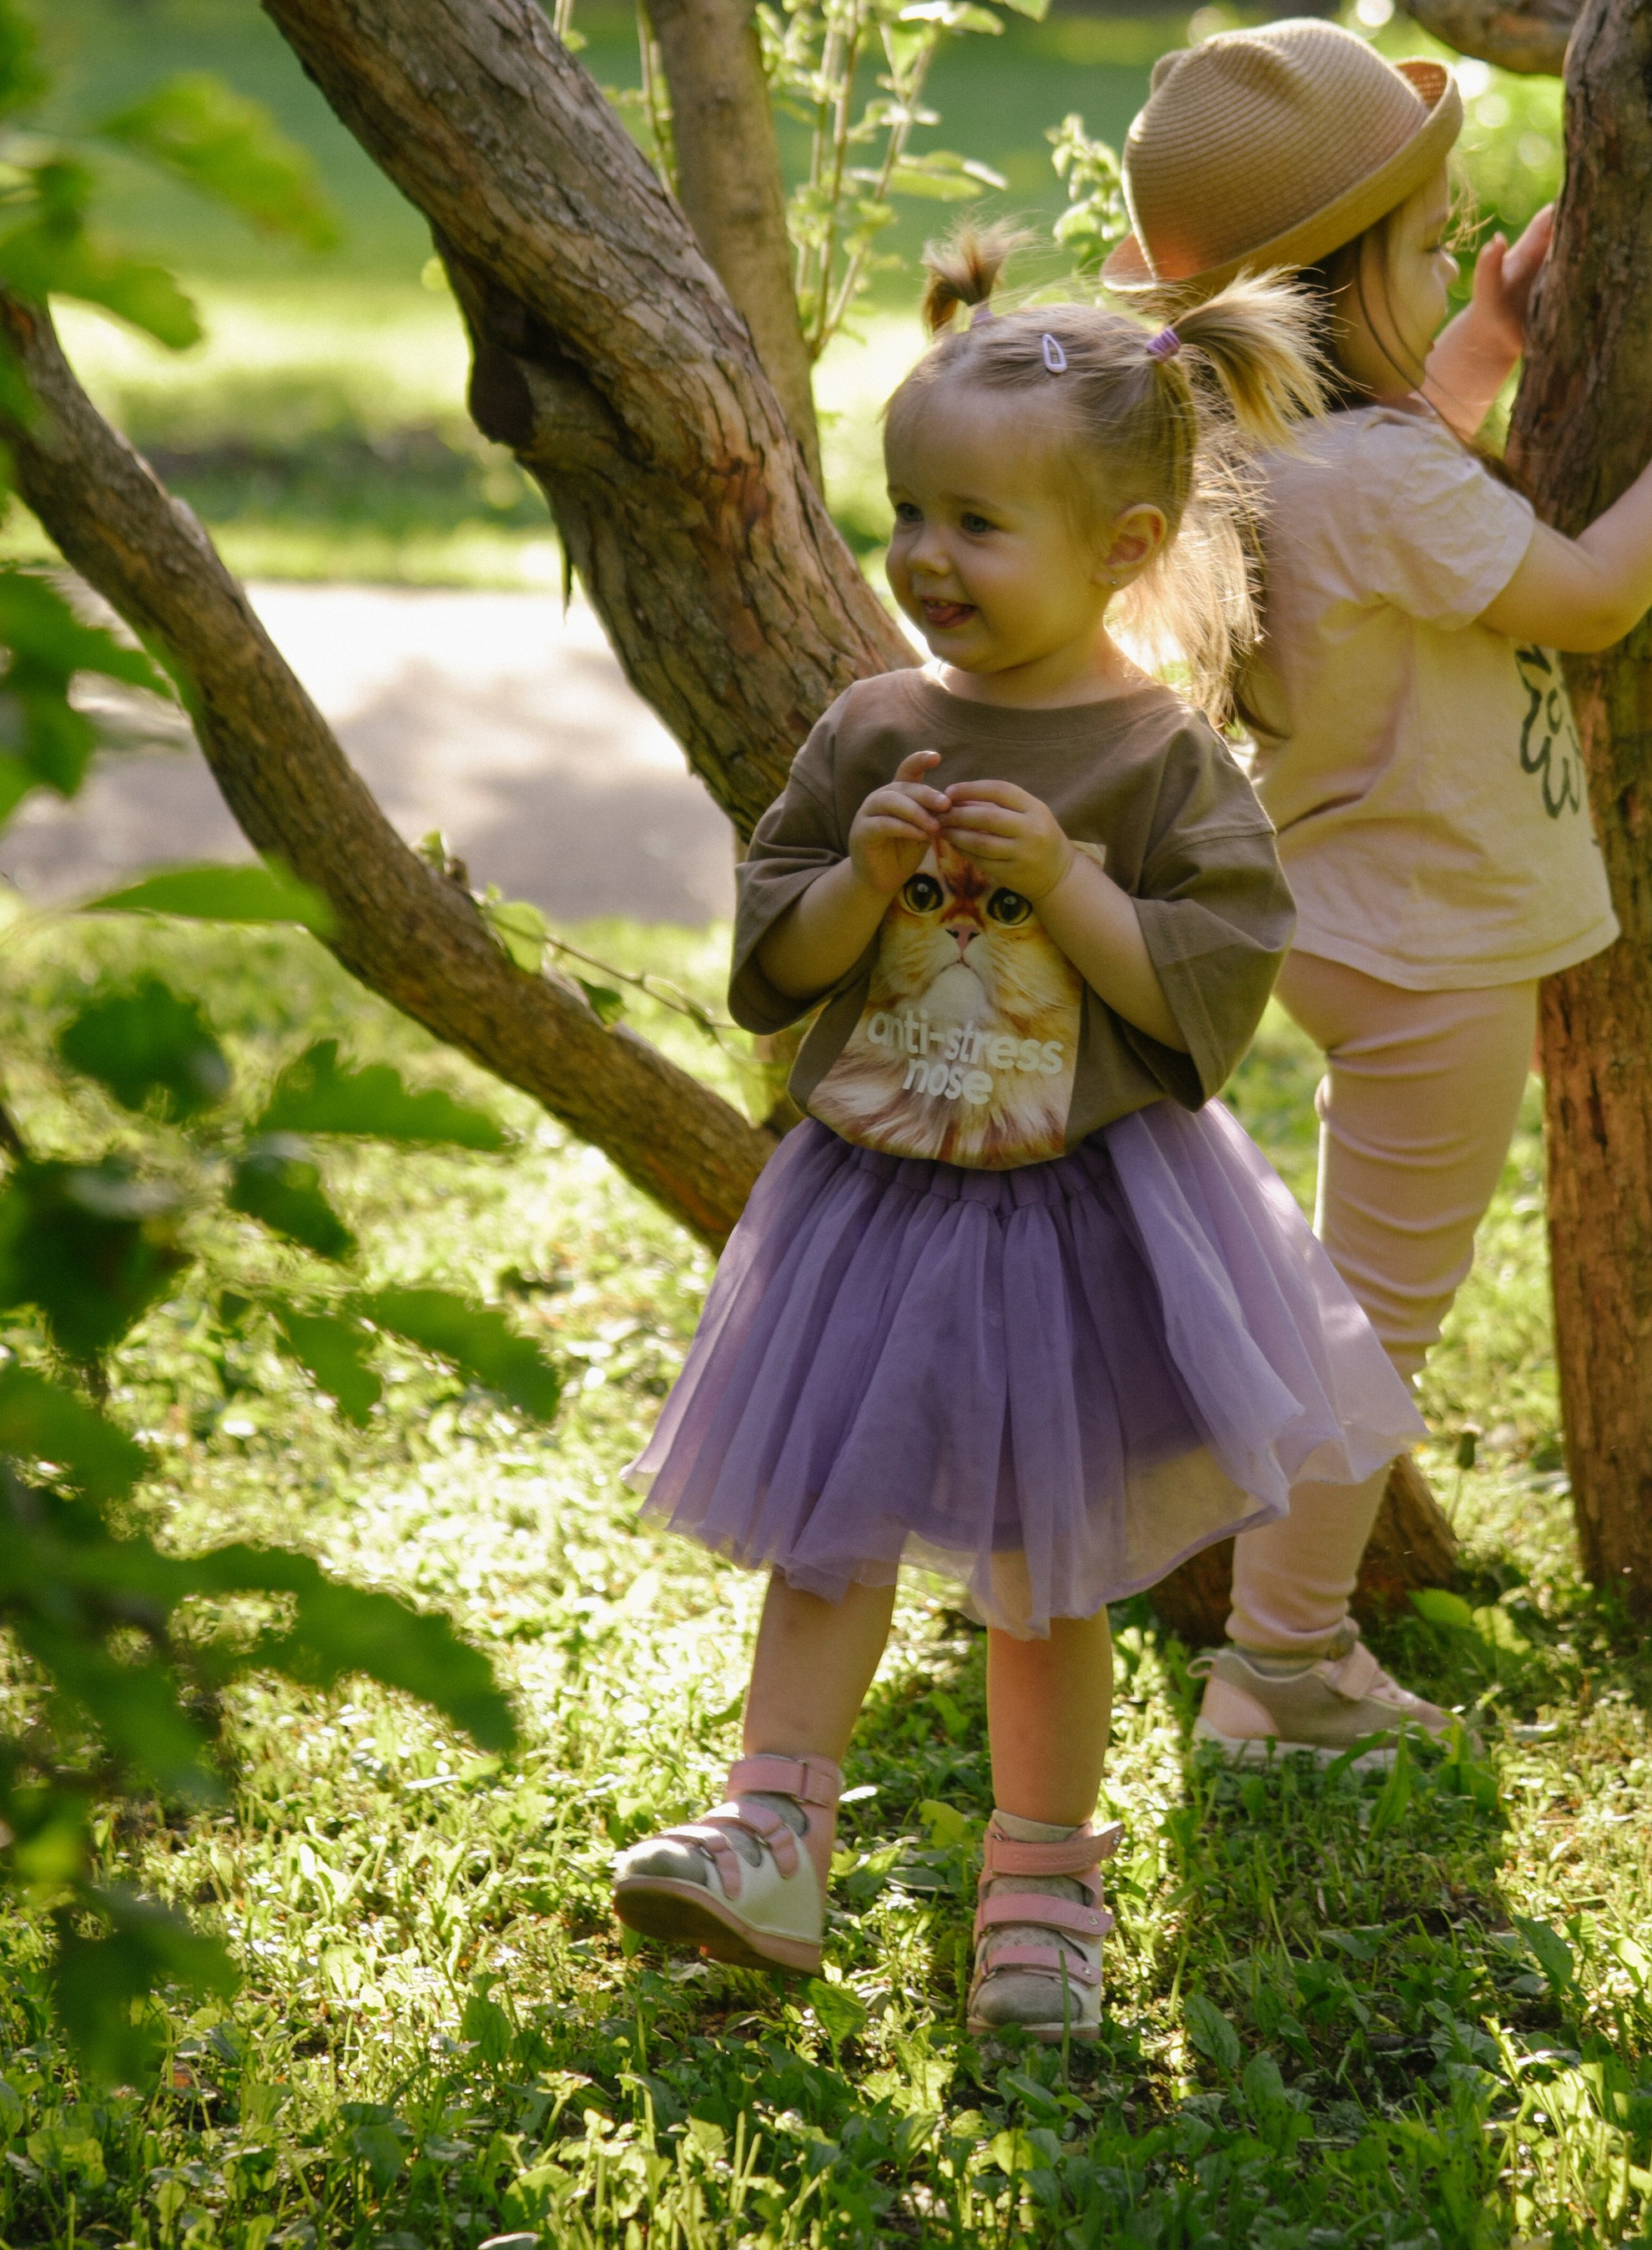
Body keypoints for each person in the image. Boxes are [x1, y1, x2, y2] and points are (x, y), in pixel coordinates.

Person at [610, 227, 1423, 2038]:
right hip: (877, 1202)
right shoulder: (872, 726)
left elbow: (1200, 1002)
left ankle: (1041, 1893)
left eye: (978, 524)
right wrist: (867, 872)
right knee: (827, 1534)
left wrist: (1065, 881)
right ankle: (770, 1834)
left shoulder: (1154, 764)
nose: (924, 557)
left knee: (1047, 1580)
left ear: (1121, 550)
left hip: (1084, 1213)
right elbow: (778, 959)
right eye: (910, 510)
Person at [1099, 18, 1652, 1761]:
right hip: (1427, 942)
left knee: (1367, 1281)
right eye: (1432, 239)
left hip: (1369, 921)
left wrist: (1471, 342)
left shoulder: (1270, 447)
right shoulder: (1373, 480)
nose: (1461, 245)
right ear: (1339, 279)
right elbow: (1596, 591)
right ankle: (1277, 1669)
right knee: (1367, 1322)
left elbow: (1400, 491)